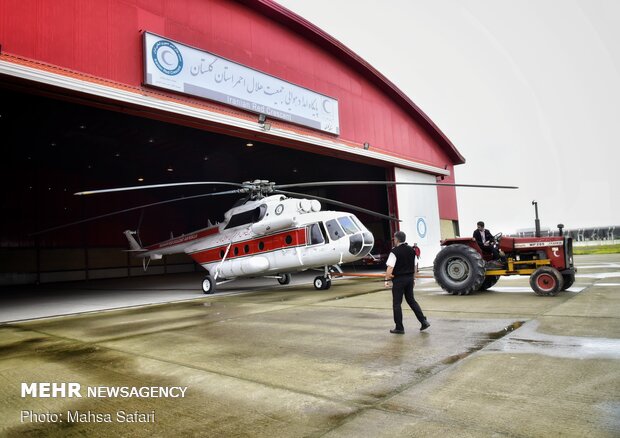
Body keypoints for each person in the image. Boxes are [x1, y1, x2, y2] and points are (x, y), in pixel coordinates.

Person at [384, 231, 430, 334]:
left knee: (397, 304)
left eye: (394, 239)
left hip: (399, 280)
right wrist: (413, 279)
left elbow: (390, 267)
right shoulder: (411, 250)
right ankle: (423, 321)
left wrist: (387, 280)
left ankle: (399, 327)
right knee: (411, 301)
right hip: (409, 279)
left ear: (397, 239)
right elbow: (414, 266)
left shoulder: (394, 251)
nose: (394, 241)